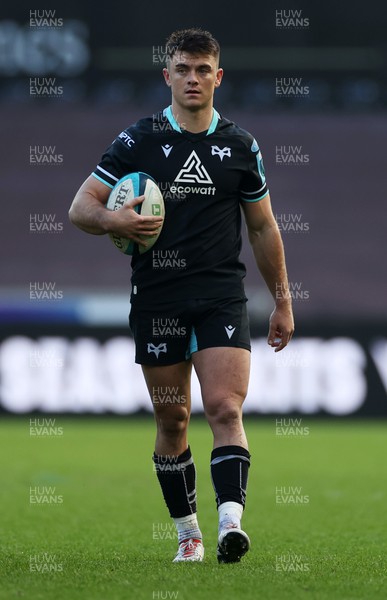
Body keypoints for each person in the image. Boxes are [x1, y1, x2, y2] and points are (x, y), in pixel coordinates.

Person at [69, 27, 294, 564]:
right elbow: (80, 207)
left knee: (223, 406)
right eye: (182, 69)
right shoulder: (138, 140)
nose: (192, 79)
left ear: (218, 77)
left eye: (202, 70)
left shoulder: (240, 145)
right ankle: (188, 533)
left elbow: (263, 229)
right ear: (166, 75)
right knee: (173, 421)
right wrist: (112, 218)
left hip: (220, 294)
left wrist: (282, 300)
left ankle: (229, 525)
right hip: (158, 298)